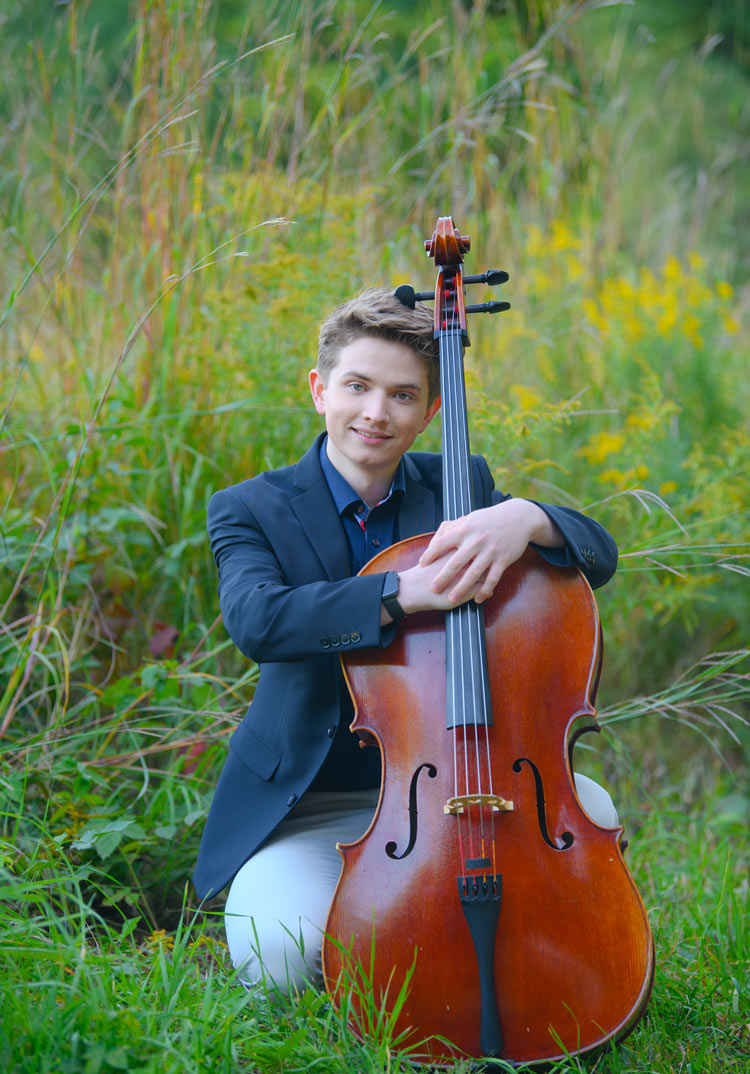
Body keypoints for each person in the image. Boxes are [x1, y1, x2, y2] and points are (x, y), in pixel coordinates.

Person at [193, 286, 619, 993]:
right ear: (318, 389)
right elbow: (259, 620)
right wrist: (402, 592)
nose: (375, 412)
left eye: (401, 394)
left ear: (430, 411)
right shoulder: (250, 507)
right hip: (315, 807)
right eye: (357, 386)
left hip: (462, 786)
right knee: (278, 962)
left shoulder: (463, 489)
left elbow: (597, 555)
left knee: (593, 810)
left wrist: (529, 518)